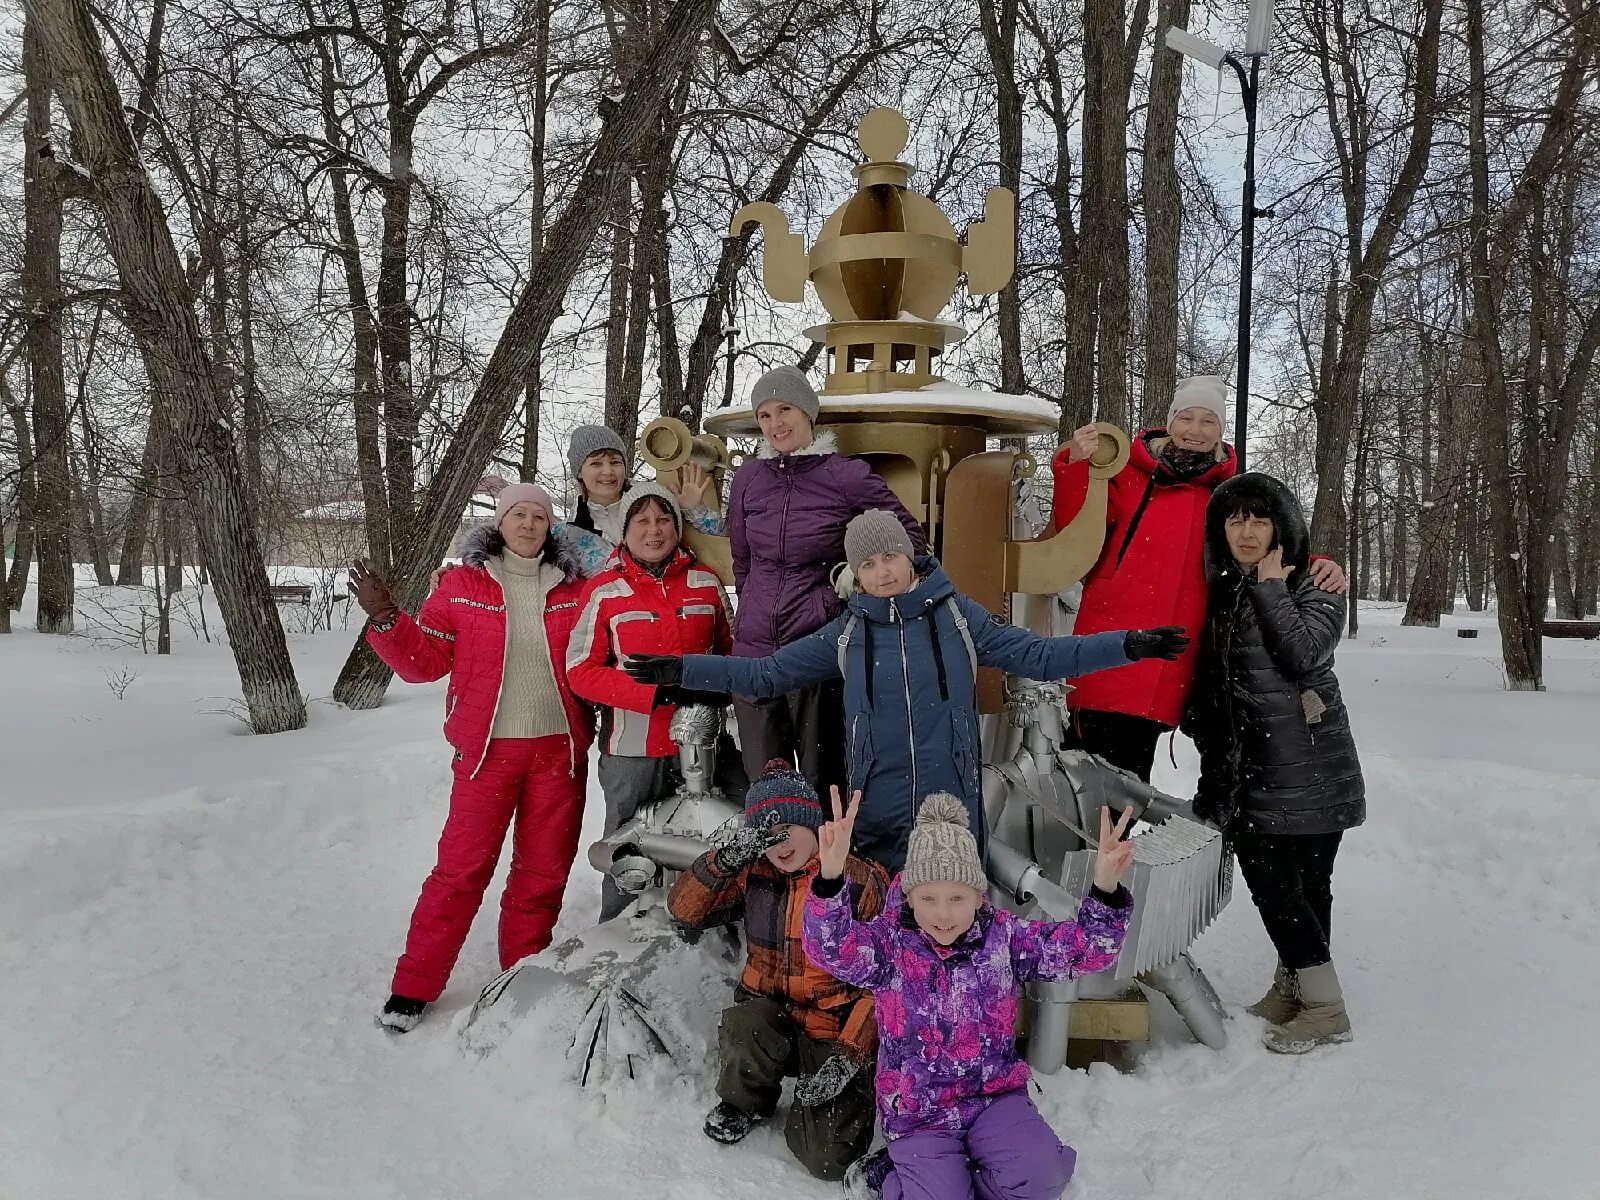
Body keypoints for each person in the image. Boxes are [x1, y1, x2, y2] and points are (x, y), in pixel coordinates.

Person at [624, 509, 1188, 873]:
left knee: (954, 924)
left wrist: (1129, 645)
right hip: (878, 814)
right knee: (883, 931)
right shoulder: (846, 633)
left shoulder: (959, 618)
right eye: (868, 564)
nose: (883, 572)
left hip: (952, 810)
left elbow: (1040, 655)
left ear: (910, 558)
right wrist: (682, 670)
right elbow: (765, 674)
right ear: (857, 574)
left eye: (890, 557)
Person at [803, 791, 1135, 1200]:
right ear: (909, 896)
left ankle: (954, 1176)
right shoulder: (889, 947)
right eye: (929, 899)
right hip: (920, 1114)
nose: (943, 914)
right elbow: (829, 946)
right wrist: (831, 877)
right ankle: (890, 1177)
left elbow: (1086, 949)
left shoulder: (1005, 939)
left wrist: (1105, 886)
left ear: (979, 897)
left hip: (993, 1099)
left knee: (1043, 1176)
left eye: (957, 898)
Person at [349, 483, 594, 1033]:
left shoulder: (578, 590)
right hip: (487, 755)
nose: (528, 524)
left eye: (538, 516)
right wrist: (388, 620)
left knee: (544, 872)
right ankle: (413, 987)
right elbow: (425, 663)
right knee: (460, 871)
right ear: (499, 523)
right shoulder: (461, 586)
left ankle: (521, 973)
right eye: (517, 515)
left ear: (549, 526)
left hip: (560, 754)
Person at [1050, 376, 1346, 781]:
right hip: (1111, 650)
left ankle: (1108, 845)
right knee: (1081, 786)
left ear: (1221, 431)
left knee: (1128, 789)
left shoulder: (1226, 495)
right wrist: (1075, 468)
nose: (1195, 430)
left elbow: (1259, 541)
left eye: (1208, 421)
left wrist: (1317, 563)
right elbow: (1075, 537)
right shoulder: (1129, 477)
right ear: (1169, 422)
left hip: (1172, 661)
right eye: (1186, 418)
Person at [1183, 472, 1366, 1054]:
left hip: (1310, 764)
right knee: (1296, 888)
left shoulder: (1315, 582)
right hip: (1253, 769)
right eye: (1235, 519)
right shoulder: (1224, 588)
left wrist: (1271, 586)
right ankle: (1296, 987)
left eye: (1259, 518)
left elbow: (1303, 652)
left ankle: (1326, 1008)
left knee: (1287, 887)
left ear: (1280, 526)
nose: (1247, 530)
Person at [667, 761, 888, 1181]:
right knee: (747, 1023)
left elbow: (884, 985)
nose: (779, 844)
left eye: (787, 829)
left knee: (827, 1160)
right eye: (766, 835)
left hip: (833, 1029)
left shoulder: (858, 882)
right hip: (769, 1014)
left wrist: (851, 1054)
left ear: (813, 824)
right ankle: (744, 1098)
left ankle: (838, 1101)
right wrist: (722, 862)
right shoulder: (753, 873)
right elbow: (683, 910)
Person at [721, 365, 927, 794]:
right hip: (754, 653)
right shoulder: (747, 480)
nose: (776, 423)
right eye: (765, 415)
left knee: (824, 781)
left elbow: (911, 538)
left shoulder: (845, 476)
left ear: (808, 413)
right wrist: (748, 614)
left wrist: (855, 575)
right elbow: (742, 559)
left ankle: (831, 861)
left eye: (785, 409)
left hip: (817, 647)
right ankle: (774, 860)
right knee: (767, 790)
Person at [565, 483, 736, 920]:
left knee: (716, 842)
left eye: (663, 519)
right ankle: (615, 932)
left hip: (705, 744)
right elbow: (580, 670)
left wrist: (714, 688)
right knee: (627, 851)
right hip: (633, 749)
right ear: (625, 529)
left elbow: (733, 654)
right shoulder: (604, 590)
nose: (654, 530)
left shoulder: (706, 582)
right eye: (642, 520)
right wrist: (649, 694)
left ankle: (713, 929)